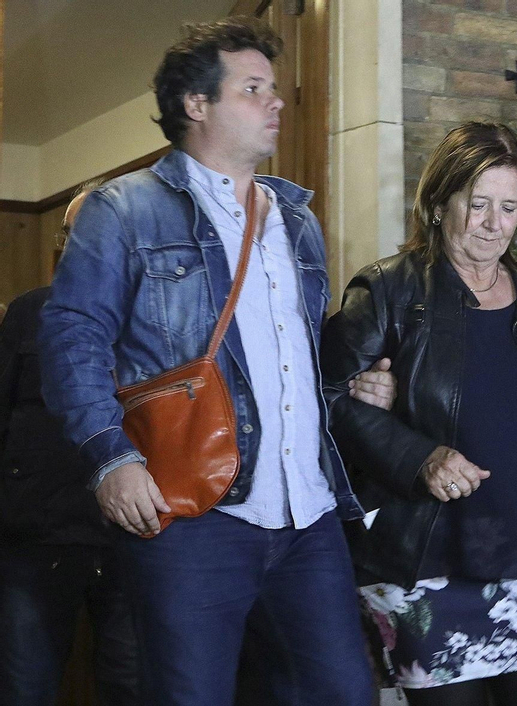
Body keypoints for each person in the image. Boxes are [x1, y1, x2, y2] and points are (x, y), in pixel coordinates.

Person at [37, 17, 395, 704]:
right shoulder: (124, 210)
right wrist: (109, 456)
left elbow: (291, 356)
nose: (276, 102)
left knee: (346, 693)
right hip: (194, 518)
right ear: (195, 105)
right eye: (253, 88)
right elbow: (72, 335)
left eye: (274, 88)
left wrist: (352, 383)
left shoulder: (296, 219)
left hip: (308, 515)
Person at [320, 121, 517, 705]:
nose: (495, 224)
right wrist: (420, 457)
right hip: (427, 568)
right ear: (442, 202)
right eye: (480, 204)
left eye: (510, 207)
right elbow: (327, 400)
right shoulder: (387, 291)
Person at [0, 182, 138, 705]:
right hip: (37, 536)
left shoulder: (159, 318)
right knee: (24, 687)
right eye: (75, 232)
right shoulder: (30, 312)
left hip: (134, 535)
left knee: (133, 686)